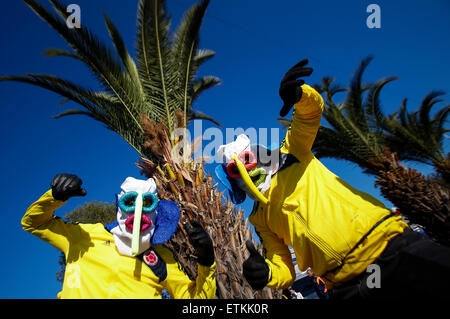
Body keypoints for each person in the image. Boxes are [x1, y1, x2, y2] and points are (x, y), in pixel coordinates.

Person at [215, 59, 450, 299]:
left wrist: (300, 95)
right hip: (346, 288)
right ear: (232, 179)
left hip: (392, 249)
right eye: (236, 168)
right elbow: (284, 265)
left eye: (247, 157)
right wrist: (268, 274)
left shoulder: (291, 154)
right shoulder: (259, 217)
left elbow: (309, 115)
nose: (247, 167)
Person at [22, 173, 216, 299]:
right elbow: (33, 223)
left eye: (147, 203)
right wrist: (54, 197)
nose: (138, 212)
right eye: (129, 202)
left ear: (156, 211)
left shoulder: (162, 260)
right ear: (119, 207)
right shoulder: (84, 237)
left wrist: (207, 262)